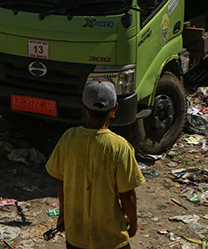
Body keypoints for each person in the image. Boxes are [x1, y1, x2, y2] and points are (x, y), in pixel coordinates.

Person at [45, 80, 145, 249]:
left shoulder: (68, 138)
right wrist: (133, 223)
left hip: (77, 234)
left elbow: (62, 182)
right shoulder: (119, 146)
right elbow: (128, 195)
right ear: (114, 109)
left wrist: (63, 214)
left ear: (84, 106)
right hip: (110, 237)